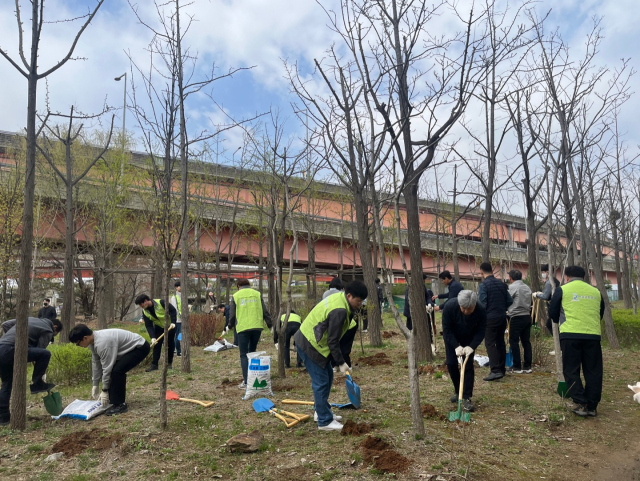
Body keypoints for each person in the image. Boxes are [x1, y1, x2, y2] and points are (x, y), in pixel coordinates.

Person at [294, 280, 368, 431]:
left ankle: (320, 411)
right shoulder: (339, 310)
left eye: (362, 301)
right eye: (358, 301)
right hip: (310, 344)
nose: (360, 304)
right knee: (321, 382)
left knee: (328, 376)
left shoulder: (340, 299)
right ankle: (324, 421)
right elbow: (332, 341)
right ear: (349, 296)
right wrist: (341, 362)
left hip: (314, 341)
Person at [548, 266, 604, 417]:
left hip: (570, 334)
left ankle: (580, 402)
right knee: (593, 370)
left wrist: (558, 321)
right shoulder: (596, 292)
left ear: (566, 277)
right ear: (584, 277)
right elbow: (600, 312)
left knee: (571, 369)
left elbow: (553, 312)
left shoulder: (563, 290)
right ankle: (592, 405)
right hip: (592, 335)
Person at [69, 324, 150, 416]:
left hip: (139, 347)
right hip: (129, 348)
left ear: (85, 338)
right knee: (114, 370)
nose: (78, 345)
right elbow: (96, 363)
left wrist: (104, 390)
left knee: (117, 371)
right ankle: (114, 400)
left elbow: (107, 368)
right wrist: (95, 384)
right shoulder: (93, 342)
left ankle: (120, 404)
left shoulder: (103, 343)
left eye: (77, 343)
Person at [0, 317, 61, 425]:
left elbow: (5, 324)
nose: (51, 337)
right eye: (53, 335)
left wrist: (16, 338)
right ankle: (37, 384)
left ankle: (4, 418)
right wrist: (41, 374)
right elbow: (41, 349)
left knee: (7, 383)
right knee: (46, 354)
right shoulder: (48, 329)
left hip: (1, 347)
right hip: (11, 349)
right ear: (55, 327)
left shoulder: (28, 319)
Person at [442, 290, 486, 413]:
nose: (466, 312)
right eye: (463, 308)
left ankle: (466, 397)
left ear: (475, 305)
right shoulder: (450, 306)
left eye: (469, 309)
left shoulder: (481, 310)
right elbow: (447, 329)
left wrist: (472, 346)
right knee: (451, 364)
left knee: (467, 367)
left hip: (469, 340)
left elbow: (481, 331)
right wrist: (456, 346)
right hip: (452, 339)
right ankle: (458, 391)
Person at [225, 279, 272, 390]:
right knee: (252, 352)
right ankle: (254, 378)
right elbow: (265, 311)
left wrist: (229, 326)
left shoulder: (236, 295)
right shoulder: (257, 294)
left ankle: (247, 382)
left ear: (239, 286)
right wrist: (270, 325)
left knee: (243, 355)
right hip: (257, 327)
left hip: (242, 328)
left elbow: (232, 315)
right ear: (249, 285)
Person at [478, 262, 513, 381]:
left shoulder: (484, 285)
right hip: (502, 317)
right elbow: (509, 301)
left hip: (490, 318)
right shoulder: (501, 284)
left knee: (490, 343)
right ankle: (502, 369)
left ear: (481, 272)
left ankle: (495, 370)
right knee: (500, 342)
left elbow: (482, 304)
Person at [135, 294, 177, 372]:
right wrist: (153, 337)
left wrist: (173, 322)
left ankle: (169, 363)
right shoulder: (145, 311)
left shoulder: (161, 302)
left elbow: (173, 310)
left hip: (170, 326)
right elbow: (148, 325)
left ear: (146, 301)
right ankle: (154, 365)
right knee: (156, 345)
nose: (141, 306)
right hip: (159, 327)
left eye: (141, 304)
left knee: (169, 345)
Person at [507, 269, 532, 374]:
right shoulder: (527, 287)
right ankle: (527, 365)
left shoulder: (512, 287)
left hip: (516, 316)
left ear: (510, 278)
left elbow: (507, 299)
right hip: (527, 315)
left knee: (514, 341)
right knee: (526, 341)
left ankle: (517, 366)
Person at [533, 264, 560, 335]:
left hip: (552, 306)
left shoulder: (549, 282)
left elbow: (545, 296)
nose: (542, 274)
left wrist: (536, 295)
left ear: (547, 272)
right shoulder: (555, 280)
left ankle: (558, 341)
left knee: (549, 325)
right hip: (557, 305)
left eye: (543, 272)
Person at [170, 281, 183, 358]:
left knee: (178, 336)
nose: (181, 288)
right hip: (178, 320)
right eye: (180, 286)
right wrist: (181, 316)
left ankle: (175, 349)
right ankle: (178, 351)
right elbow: (175, 309)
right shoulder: (174, 297)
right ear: (176, 287)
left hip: (181, 319)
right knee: (179, 336)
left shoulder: (182, 295)